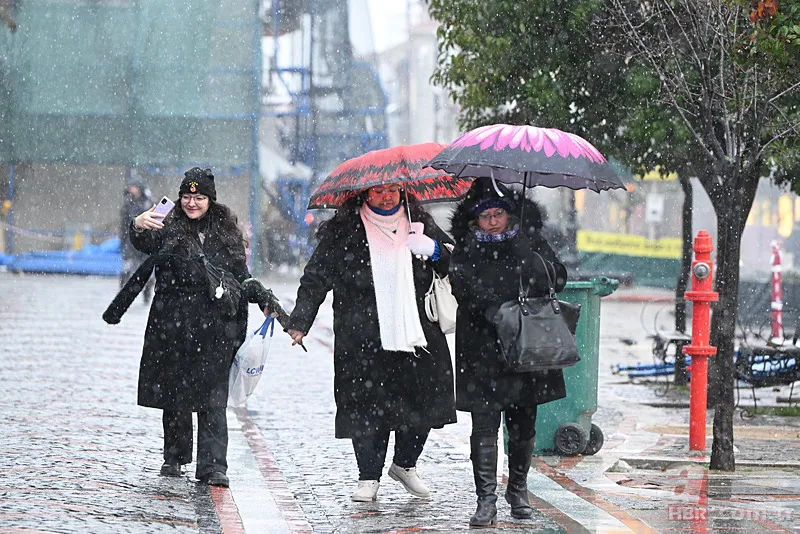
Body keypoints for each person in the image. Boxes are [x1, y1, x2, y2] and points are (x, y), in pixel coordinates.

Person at [286, 184, 457, 502]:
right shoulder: (343, 230)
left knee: (423, 402)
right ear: (363, 195)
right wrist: (300, 322)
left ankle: (405, 464)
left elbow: (452, 266)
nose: (387, 197)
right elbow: (316, 277)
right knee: (367, 406)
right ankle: (368, 476)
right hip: (362, 335)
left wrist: (432, 249)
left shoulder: (419, 222)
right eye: (378, 191)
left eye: (393, 190)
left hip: (417, 333)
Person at [128, 167, 271, 487]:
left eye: (200, 197)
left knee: (212, 397)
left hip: (214, 325)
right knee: (176, 393)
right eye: (187, 196)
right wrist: (137, 223)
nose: (192, 202)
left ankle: (213, 467)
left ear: (210, 199)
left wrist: (260, 296)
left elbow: (238, 270)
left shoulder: (225, 229)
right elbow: (144, 240)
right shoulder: (166, 217)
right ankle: (175, 457)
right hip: (173, 321)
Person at [449, 178, 568, 526]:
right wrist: (493, 306)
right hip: (482, 348)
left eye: (498, 214)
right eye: (485, 216)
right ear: (474, 220)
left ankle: (518, 488)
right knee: (484, 425)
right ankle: (485, 500)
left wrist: (528, 258)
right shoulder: (467, 248)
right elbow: (461, 286)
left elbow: (556, 279)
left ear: (509, 214)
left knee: (522, 424)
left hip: (526, 345)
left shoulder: (530, 241)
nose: (492, 221)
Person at [119, 181, 154, 300]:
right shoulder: (128, 203)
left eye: (133, 187)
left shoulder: (147, 202)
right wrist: (123, 241)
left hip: (144, 242)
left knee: (145, 270)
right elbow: (124, 224)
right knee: (126, 268)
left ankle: (147, 292)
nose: (131, 189)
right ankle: (123, 294)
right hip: (130, 241)